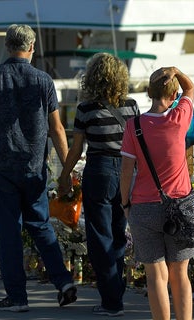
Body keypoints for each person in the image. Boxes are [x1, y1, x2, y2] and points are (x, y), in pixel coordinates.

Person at [0, 24, 77, 313]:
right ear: (32, 48)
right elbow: (57, 129)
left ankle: (17, 297)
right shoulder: (44, 81)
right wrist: (66, 171)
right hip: (34, 167)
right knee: (41, 226)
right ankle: (64, 282)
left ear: (7, 46)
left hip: (3, 166)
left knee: (9, 233)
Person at [58, 52, 139, 317]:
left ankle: (112, 300)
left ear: (92, 77)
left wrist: (64, 175)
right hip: (127, 172)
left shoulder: (86, 109)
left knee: (99, 238)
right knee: (117, 234)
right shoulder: (132, 106)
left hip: (100, 171)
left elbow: (76, 149)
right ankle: (116, 290)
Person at [119, 66, 194, 320]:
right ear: (173, 94)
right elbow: (190, 89)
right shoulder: (179, 118)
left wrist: (126, 204)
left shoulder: (134, 126)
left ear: (149, 93)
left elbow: (126, 171)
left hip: (143, 207)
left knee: (156, 276)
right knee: (179, 274)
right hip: (180, 208)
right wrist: (177, 71)